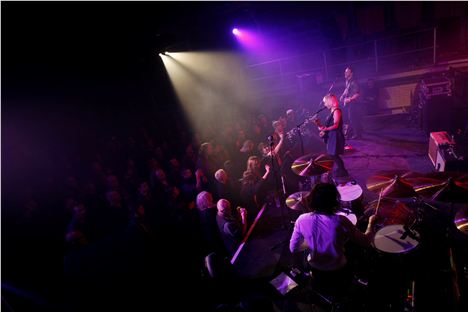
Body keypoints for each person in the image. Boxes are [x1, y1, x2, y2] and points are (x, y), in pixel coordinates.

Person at [289, 183, 377, 295]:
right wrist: (371, 223)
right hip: (338, 269)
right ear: (334, 202)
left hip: (315, 268)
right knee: (354, 249)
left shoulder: (301, 219)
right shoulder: (340, 220)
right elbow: (365, 241)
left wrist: (312, 241)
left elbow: (293, 248)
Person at [316, 94, 349, 178]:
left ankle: (343, 171)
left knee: (334, 154)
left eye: (325, 102)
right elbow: (328, 126)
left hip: (336, 136)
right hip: (332, 135)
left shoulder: (337, 110)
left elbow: (336, 125)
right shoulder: (332, 111)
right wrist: (321, 128)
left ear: (330, 101)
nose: (324, 104)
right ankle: (341, 168)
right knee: (332, 154)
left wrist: (325, 129)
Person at [340, 66, 363, 139]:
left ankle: (358, 135)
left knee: (353, 118)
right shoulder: (348, 81)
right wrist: (342, 95)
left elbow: (357, 94)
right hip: (350, 104)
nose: (345, 73)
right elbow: (346, 89)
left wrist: (349, 99)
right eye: (345, 71)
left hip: (354, 103)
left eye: (347, 71)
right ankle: (353, 133)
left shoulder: (354, 82)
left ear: (351, 73)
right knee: (350, 118)